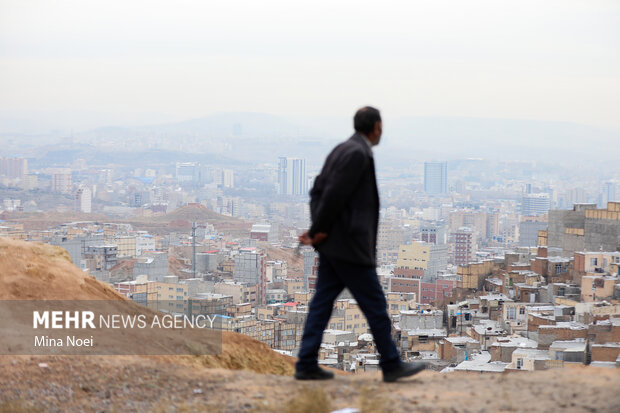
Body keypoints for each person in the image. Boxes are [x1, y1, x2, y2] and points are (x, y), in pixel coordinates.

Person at [295, 106, 426, 382]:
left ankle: (306, 363)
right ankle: (391, 364)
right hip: (350, 247)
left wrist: (319, 230)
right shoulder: (357, 154)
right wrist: (319, 230)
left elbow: (318, 190)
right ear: (376, 126)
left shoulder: (341, 149)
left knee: (322, 303)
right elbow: (333, 194)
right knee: (376, 306)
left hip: (335, 245)